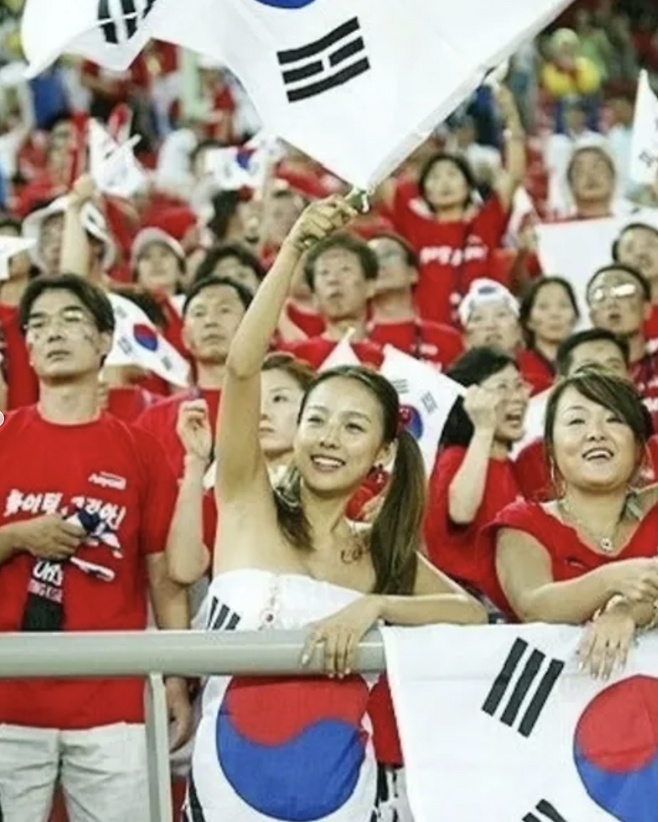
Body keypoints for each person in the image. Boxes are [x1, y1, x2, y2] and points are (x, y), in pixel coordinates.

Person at [184, 197, 486, 822]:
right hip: (223, 795)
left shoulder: (377, 550)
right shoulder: (245, 501)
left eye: (352, 427)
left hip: (346, 798)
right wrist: (294, 247)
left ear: (381, 454)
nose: (328, 438)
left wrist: (376, 605)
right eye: (316, 419)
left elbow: (470, 616)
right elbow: (241, 368)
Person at [0, 274, 192, 822]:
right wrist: (17, 536)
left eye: (71, 319)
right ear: (26, 346)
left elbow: (163, 576)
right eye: (38, 325)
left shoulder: (141, 450)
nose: (53, 333)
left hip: (113, 703)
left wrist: (176, 677)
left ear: (107, 339)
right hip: (6, 700)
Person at [492, 369, 658, 679]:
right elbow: (534, 605)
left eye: (614, 419)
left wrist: (628, 612)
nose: (596, 433)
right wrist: (611, 579)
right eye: (576, 421)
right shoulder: (522, 523)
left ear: (639, 448)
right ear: (551, 449)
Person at [393, 87, 526, 326]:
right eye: (435, 177)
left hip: (483, 332)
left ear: (468, 185)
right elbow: (379, 183)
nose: (444, 183)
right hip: (433, 336)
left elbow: (514, 175)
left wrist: (511, 115)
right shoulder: (414, 225)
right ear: (424, 192)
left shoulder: (487, 220)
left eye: (452, 174)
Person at [424, 346, 530, 619]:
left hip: (506, 608)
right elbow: (461, 511)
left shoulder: (512, 467)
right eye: (502, 387)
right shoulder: (454, 457)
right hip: (466, 611)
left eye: (519, 385)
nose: (517, 397)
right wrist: (483, 429)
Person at [136, 275, 251, 478]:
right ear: (185, 338)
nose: (210, 321)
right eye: (199, 313)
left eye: (224, 310)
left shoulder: (276, 406)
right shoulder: (155, 420)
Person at [514, 328, 632, 501]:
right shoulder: (534, 458)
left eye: (614, 366)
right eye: (589, 367)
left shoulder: (653, 442)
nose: (604, 376)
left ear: (629, 377)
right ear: (560, 383)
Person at [281, 232, 384, 369]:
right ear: (314, 296)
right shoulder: (294, 359)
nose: (333, 279)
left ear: (370, 286)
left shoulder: (389, 359)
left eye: (345, 269)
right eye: (324, 273)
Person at [366, 232, 464, 369]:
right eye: (371, 258)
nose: (380, 263)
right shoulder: (353, 342)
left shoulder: (448, 339)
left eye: (388, 254)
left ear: (413, 273)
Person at [587, 263, 658, 416]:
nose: (611, 302)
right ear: (592, 317)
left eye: (624, 291)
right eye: (599, 295)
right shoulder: (585, 382)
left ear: (647, 309)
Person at [517, 276, 580, 391]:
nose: (554, 314)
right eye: (543, 307)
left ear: (575, 317)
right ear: (528, 320)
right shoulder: (517, 367)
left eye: (563, 305)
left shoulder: (587, 361)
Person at [612, 221, 658, 341]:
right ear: (618, 264)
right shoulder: (616, 318)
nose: (641, 253)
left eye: (651, 244)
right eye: (629, 249)